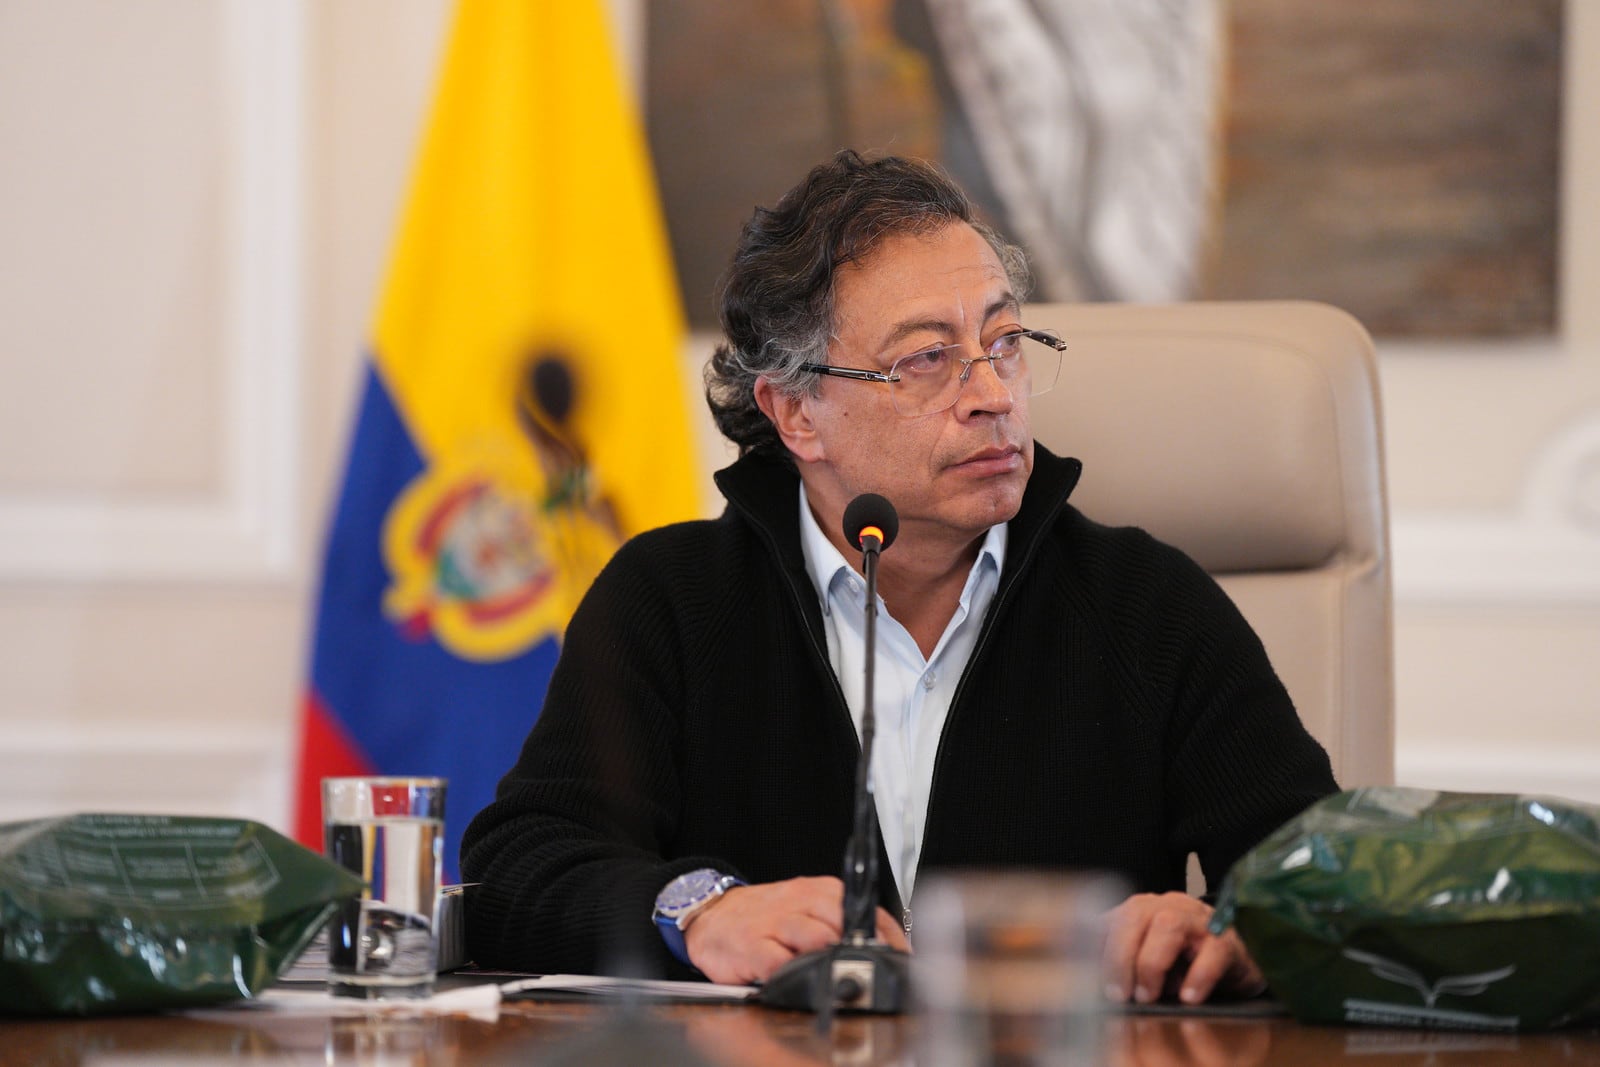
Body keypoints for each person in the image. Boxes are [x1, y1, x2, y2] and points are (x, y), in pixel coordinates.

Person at [460, 150, 1338, 1005]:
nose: (991, 392)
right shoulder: (671, 600)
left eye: (1005, 342)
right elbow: (519, 869)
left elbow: (1332, 888)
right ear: (797, 411)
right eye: (927, 358)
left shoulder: (1150, 606)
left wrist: (1231, 928)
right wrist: (701, 909)